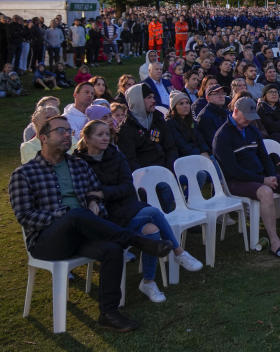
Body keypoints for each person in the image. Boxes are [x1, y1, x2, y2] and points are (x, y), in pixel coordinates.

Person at [9, 114, 175, 332]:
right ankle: (137, 241)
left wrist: (95, 203)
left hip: (82, 234)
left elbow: (95, 195)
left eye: (69, 130)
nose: (67, 134)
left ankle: (109, 313)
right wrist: (63, 216)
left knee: (112, 249)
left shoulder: (79, 166)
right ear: (43, 137)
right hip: (47, 241)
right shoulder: (24, 173)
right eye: (60, 130)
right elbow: (26, 216)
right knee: (75, 214)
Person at [75, 120, 203, 303]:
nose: (105, 138)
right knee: (152, 212)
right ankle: (178, 251)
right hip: (106, 217)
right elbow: (84, 191)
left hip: (126, 208)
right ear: (86, 138)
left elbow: (127, 187)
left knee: (152, 231)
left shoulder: (115, 156)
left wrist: (102, 193)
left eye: (107, 134)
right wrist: (97, 198)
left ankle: (148, 281)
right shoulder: (79, 163)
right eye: (100, 134)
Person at [212, 97, 280, 259]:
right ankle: (274, 241)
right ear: (235, 111)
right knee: (266, 192)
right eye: (246, 116)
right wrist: (263, 180)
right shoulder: (222, 136)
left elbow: (264, 156)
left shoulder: (252, 130)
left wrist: (270, 175)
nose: (249, 119)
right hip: (235, 181)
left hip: (259, 176)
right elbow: (233, 170)